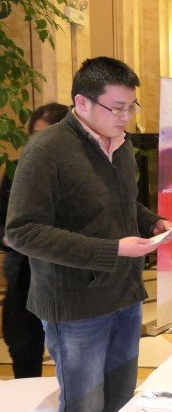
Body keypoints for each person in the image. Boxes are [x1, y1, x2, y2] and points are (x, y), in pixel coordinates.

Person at [5, 57, 172, 411]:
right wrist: (112, 250)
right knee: (85, 403)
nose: (126, 117)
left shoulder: (121, 145)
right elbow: (23, 231)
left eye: (131, 106)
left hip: (125, 295)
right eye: (117, 108)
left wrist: (151, 222)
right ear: (82, 102)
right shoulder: (47, 150)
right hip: (75, 305)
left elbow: (120, 203)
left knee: (121, 398)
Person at [0, 102, 68, 378]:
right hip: (23, 273)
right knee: (23, 343)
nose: (36, 143)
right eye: (33, 135)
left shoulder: (75, 174)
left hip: (64, 275)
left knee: (70, 349)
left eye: (45, 135)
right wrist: (8, 237)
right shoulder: (16, 170)